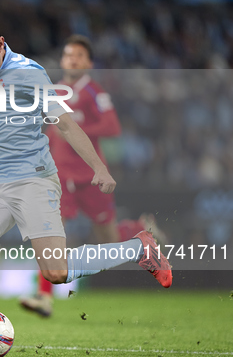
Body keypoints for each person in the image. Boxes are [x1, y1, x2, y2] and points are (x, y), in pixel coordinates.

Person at [0, 9, 172, 357]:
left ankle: (139, 247)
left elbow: (67, 124)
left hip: (33, 180)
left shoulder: (29, 75)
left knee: (56, 272)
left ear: (1, 44)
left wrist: (99, 167)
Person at [19, 35, 164, 318]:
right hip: (58, 177)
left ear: (88, 63)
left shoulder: (94, 92)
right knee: (51, 233)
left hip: (89, 176)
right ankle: (44, 297)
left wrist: (76, 127)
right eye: (67, 55)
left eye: (78, 56)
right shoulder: (53, 91)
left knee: (108, 241)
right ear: (62, 61)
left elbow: (112, 127)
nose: (71, 60)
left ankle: (140, 228)